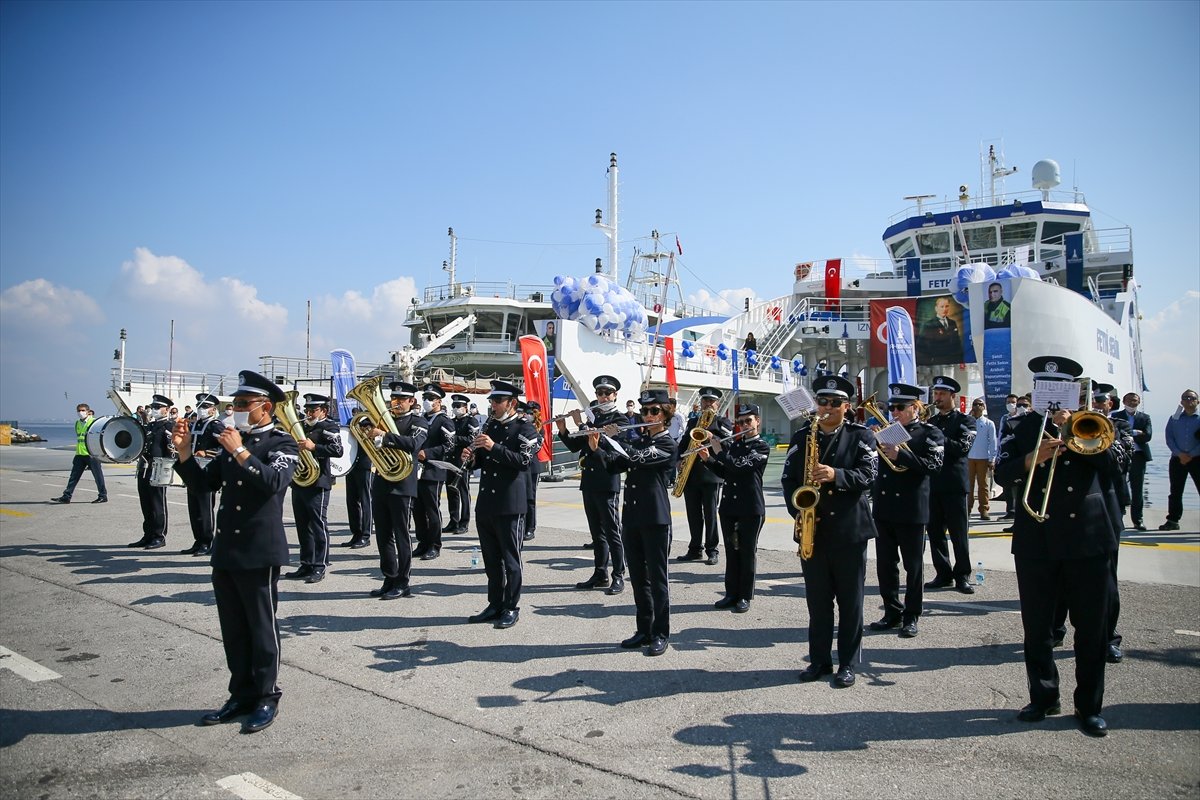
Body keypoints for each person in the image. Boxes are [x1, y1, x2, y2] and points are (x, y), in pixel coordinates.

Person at [994, 356, 1129, 737]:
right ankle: (1043, 695)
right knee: (1037, 626)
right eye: (1044, 388)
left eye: (1060, 388)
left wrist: (1074, 430)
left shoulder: (1101, 424)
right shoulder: (1019, 425)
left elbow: (1116, 468)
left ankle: (1089, 705)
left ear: (1075, 390)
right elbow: (1001, 472)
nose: (1050, 396)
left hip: (1088, 540)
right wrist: (1034, 457)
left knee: (1091, 628)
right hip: (1037, 539)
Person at [173, 369, 299, 734]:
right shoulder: (233, 445)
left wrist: (240, 451)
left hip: (259, 550)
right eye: (235, 404)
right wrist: (184, 453)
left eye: (244, 404)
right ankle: (240, 694)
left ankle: (265, 695)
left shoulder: (282, 444)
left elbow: (274, 482)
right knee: (233, 628)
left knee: (261, 628)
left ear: (266, 407)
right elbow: (202, 485)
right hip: (228, 548)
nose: (237, 410)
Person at [781, 375, 878, 688]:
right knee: (818, 603)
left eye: (835, 403)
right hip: (814, 530)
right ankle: (819, 660)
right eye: (822, 401)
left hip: (850, 531)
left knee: (851, 603)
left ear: (846, 407)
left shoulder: (861, 436)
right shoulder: (801, 437)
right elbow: (788, 480)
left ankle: (848, 663)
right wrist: (800, 513)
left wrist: (836, 474)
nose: (827, 407)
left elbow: (869, 475)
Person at [592, 388, 677, 656]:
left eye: (654, 411)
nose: (648, 415)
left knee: (657, 579)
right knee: (639, 578)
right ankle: (644, 629)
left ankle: (661, 633)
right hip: (633, 517)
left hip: (655, 518)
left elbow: (638, 458)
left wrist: (612, 439)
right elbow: (616, 465)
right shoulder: (640, 440)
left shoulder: (667, 444)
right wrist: (597, 447)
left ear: (665, 415)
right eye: (645, 411)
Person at [868, 384, 944, 638]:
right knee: (885, 566)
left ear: (915, 408)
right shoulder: (887, 431)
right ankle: (892, 611)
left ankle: (911, 614)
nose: (895, 412)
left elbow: (934, 466)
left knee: (914, 566)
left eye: (900, 407)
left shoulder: (929, 433)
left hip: (912, 509)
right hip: (884, 506)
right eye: (892, 407)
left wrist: (902, 456)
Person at [465, 380, 536, 629]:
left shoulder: (525, 429)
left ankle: (511, 606)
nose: (493, 406)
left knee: (511, 560)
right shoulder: (491, 426)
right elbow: (483, 461)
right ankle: (494, 603)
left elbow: (524, 461)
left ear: (512, 403)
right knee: (491, 559)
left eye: (497, 401)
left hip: (510, 504)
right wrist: (472, 458)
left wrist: (493, 447)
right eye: (492, 401)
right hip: (487, 502)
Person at [700, 402, 771, 613]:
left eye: (748, 421)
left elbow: (740, 467)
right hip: (730, 506)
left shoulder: (762, 447)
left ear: (757, 421)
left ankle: (745, 596)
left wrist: (720, 452)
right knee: (731, 551)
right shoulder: (737, 445)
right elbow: (727, 472)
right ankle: (731, 593)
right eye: (740, 422)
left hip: (750, 507)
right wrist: (709, 460)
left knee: (747, 552)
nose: (744, 425)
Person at [558, 376, 625, 593]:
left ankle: (618, 575)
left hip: (607, 479)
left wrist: (582, 424)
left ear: (615, 395)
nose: (603, 397)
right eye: (600, 393)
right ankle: (600, 573)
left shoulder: (620, 419)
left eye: (608, 393)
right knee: (596, 532)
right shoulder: (593, 416)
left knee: (612, 530)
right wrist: (563, 429)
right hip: (589, 481)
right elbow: (575, 445)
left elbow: (614, 447)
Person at [369, 381, 426, 599]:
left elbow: (414, 444)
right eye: (394, 399)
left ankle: (403, 581)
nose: (397, 403)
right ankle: (389, 577)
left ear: (411, 401)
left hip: (403, 483)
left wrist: (384, 436)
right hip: (382, 480)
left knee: (401, 534)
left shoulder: (418, 421)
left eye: (402, 399)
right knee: (383, 535)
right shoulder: (385, 420)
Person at [923, 376, 977, 594]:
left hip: (955, 485)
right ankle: (943, 573)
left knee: (958, 534)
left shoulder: (965, 421)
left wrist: (938, 436)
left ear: (953, 396)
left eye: (942, 394)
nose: (938, 398)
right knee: (935, 533)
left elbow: (962, 448)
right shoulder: (932, 422)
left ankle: (962, 575)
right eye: (936, 394)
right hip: (933, 485)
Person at [283, 393, 343, 584]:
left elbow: (338, 450)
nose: (308, 413)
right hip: (300, 481)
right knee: (302, 525)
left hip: (318, 481)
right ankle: (306, 563)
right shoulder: (299, 427)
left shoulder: (329, 427)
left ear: (323, 411)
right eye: (307, 410)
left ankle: (320, 565)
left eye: (313, 410)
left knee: (318, 525)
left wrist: (314, 446)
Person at [677, 387, 734, 565]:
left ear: (718, 404)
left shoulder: (723, 422)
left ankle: (712, 549)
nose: (708, 404)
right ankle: (695, 549)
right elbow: (685, 443)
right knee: (693, 514)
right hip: (691, 473)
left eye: (712, 401)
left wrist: (710, 435)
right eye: (705, 401)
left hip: (711, 473)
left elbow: (728, 445)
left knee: (710, 514)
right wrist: (679, 460)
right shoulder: (692, 422)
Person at [413, 383, 455, 560]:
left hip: (433, 469)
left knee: (432, 509)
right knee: (417, 509)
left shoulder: (444, 421)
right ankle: (422, 542)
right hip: (417, 470)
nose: (427, 402)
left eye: (430, 399)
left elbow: (449, 445)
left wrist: (428, 453)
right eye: (425, 398)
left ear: (439, 401)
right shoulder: (421, 418)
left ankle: (434, 545)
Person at [180, 393, 225, 556]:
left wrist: (207, 452)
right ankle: (198, 540)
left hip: (207, 471)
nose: (201, 410)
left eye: (205, 407)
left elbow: (225, 448)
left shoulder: (216, 426)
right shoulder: (195, 425)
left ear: (213, 410)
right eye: (199, 406)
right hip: (194, 470)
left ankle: (207, 542)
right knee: (194, 508)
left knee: (205, 508)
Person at [130, 394, 174, 550]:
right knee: (146, 503)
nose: (153, 410)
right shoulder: (150, 426)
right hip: (145, 468)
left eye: (157, 407)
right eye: (153, 407)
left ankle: (159, 536)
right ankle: (147, 535)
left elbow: (171, 449)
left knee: (157, 503)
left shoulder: (169, 426)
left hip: (159, 468)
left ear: (166, 410)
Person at [51, 403, 108, 504]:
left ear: (88, 411)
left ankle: (103, 496)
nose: (80, 413)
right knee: (73, 476)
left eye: (82, 410)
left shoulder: (94, 422)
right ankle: (66, 496)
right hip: (80, 454)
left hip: (91, 454)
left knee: (98, 476)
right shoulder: (77, 423)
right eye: (79, 411)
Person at [1159, 389, 1199, 531]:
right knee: (1175, 491)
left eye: (1192, 398)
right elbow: (1169, 438)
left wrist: (1191, 454)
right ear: (1181, 401)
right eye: (1185, 398)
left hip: (1197, 459)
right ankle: (1173, 520)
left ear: (1197, 401)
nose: (1189, 400)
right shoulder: (1174, 418)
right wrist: (1179, 454)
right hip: (1177, 459)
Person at [1112, 391, 1152, 531]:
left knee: (1137, 489)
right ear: (1124, 401)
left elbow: (1147, 436)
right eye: (1129, 400)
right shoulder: (1116, 416)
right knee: (1120, 487)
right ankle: (1119, 519)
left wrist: (1128, 434)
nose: (1132, 403)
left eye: (1134, 400)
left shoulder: (1145, 417)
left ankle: (1138, 520)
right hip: (1121, 455)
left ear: (1138, 402)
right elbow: (1115, 434)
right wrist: (1135, 432)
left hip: (1138, 455)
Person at [443, 394, 480, 535]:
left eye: (458, 406)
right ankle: (453, 521)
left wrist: (454, 438)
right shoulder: (451, 421)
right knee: (451, 491)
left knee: (463, 491)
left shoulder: (472, 421)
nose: (456, 409)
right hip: (450, 459)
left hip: (463, 460)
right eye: (454, 406)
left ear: (465, 407)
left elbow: (472, 439)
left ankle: (464, 523)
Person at [339, 415, 374, 549]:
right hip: (352, 463)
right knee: (351, 501)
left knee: (366, 501)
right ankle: (356, 533)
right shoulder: (352, 420)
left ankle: (366, 535)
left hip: (366, 464)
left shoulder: (373, 420)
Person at [520, 399, 547, 542]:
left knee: (530, 498)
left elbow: (536, 447)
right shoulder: (520, 426)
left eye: (530, 412)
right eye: (526, 412)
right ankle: (521, 525)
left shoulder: (539, 428)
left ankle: (530, 528)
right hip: (520, 465)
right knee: (520, 496)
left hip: (532, 466)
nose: (527, 415)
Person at [966, 398, 997, 520]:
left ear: (984, 407)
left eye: (980, 404)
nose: (977, 406)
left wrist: (992, 458)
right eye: (975, 404)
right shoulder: (968, 421)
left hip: (983, 457)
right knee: (968, 485)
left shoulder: (989, 423)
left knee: (983, 485)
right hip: (969, 457)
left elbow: (993, 441)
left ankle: (984, 509)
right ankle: (967, 508)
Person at [918, 296, 963, 364]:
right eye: (942, 306)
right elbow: (923, 345)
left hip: (953, 361)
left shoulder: (952, 323)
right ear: (936, 308)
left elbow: (957, 343)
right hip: (936, 362)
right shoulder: (929, 324)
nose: (944, 309)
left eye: (946, 306)